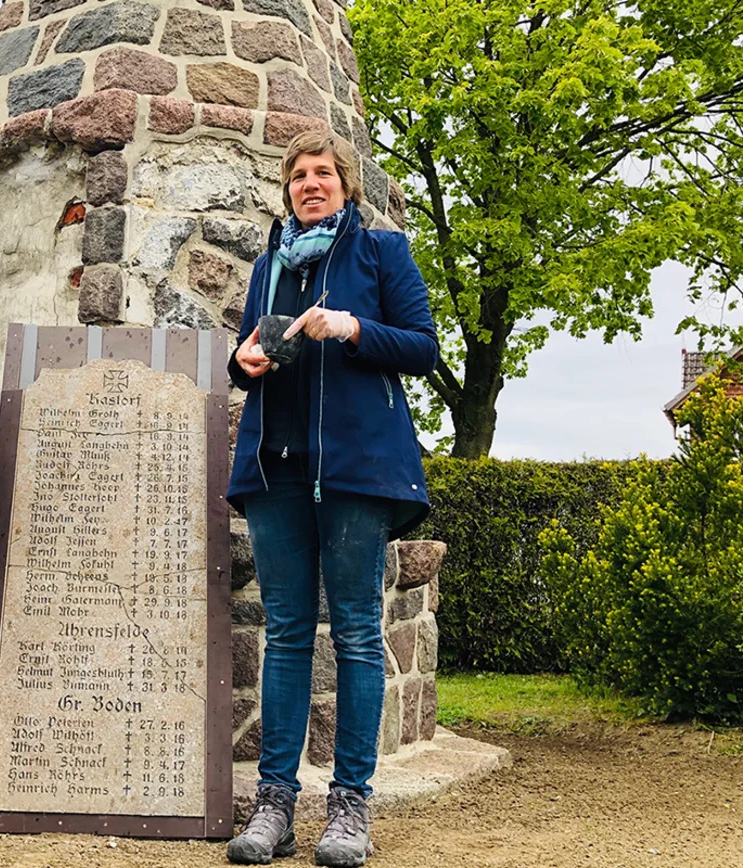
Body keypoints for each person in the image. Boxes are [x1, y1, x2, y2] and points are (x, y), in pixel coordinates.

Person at [224, 131, 438, 867]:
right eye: (298, 176)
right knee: (286, 632)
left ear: (346, 185)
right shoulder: (269, 266)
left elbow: (423, 346)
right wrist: (242, 361)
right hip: (276, 468)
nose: (310, 184)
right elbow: (247, 354)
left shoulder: (382, 253)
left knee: (354, 634)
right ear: (286, 189)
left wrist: (351, 328)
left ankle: (350, 807)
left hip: (356, 470)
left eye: (323, 173)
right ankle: (274, 806)